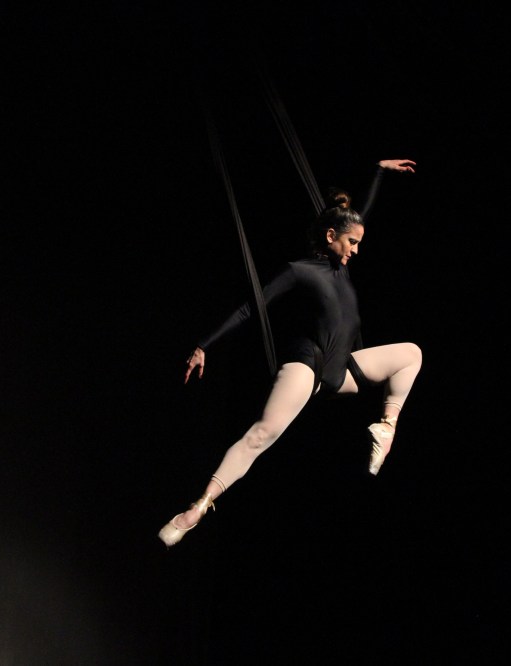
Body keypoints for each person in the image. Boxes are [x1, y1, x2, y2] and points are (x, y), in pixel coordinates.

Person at [159, 158, 422, 547]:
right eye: (352, 243)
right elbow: (250, 308)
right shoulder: (301, 270)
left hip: (339, 370)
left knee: (411, 354)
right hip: (309, 363)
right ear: (331, 236)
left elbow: (359, 214)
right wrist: (204, 345)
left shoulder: (342, 266)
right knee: (262, 434)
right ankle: (198, 507)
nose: (356, 250)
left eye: (359, 243)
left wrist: (379, 170)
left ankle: (386, 426)